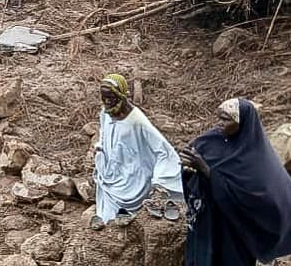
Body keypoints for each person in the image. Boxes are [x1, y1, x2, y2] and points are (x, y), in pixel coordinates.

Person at [180, 98, 291, 266]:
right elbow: (193, 161)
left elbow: (261, 198)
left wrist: (205, 169)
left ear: (242, 123)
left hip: (234, 230)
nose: (219, 124)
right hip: (208, 221)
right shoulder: (211, 140)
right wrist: (189, 170)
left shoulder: (256, 158)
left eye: (226, 119)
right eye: (219, 118)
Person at [91, 74, 183, 230]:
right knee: (107, 218)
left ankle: (128, 214)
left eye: (111, 97)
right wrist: (100, 148)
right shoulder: (105, 113)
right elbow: (105, 134)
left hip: (134, 177)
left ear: (121, 95)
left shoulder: (137, 121)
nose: (106, 101)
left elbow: (163, 150)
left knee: (127, 214)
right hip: (112, 172)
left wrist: (159, 180)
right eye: (103, 97)